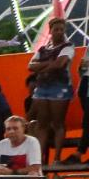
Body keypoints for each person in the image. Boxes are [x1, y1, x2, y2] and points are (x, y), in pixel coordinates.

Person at [26, 16, 75, 163]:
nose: (59, 32)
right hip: (43, 88)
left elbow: (60, 64)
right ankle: (39, 158)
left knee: (58, 123)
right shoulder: (43, 49)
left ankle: (57, 158)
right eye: (56, 29)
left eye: (62, 29)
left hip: (59, 88)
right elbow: (30, 66)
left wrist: (41, 66)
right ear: (51, 31)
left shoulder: (68, 47)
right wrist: (50, 63)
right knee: (42, 124)